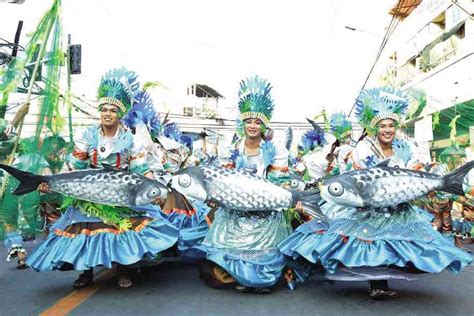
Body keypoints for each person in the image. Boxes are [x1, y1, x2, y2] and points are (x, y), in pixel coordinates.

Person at [279, 86, 472, 300]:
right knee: (343, 243)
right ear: (376, 128)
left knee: (404, 246)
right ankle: (301, 269)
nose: (387, 130)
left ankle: (379, 283)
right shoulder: (364, 148)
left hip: (399, 209)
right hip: (369, 210)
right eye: (383, 126)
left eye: (391, 125)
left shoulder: (404, 146)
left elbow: (414, 169)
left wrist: (431, 180)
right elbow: (360, 179)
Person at [26, 68, 178, 289]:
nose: (107, 114)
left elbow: (141, 170)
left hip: (120, 196)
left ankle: (123, 271)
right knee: (82, 235)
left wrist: (154, 190)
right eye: (104, 109)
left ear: (120, 113)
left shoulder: (131, 141)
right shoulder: (87, 137)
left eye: (113, 110)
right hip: (88, 196)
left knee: (121, 234)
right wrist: (50, 182)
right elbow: (73, 167)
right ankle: (85, 273)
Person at [198, 76, 292, 294]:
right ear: (242, 124)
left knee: (267, 274)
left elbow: (279, 181)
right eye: (249, 121)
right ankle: (242, 277)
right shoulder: (231, 149)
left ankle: (255, 279)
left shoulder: (275, 150)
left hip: (265, 212)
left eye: (257, 122)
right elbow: (221, 179)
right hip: (234, 213)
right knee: (221, 262)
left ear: (263, 125)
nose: (252, 125)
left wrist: (286, 194)